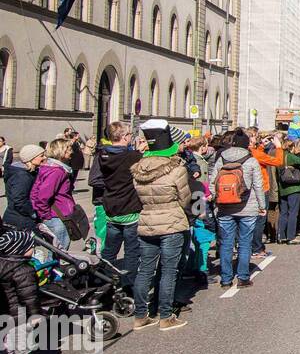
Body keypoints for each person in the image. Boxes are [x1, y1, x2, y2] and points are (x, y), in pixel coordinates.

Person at [131, 121, 194, 331]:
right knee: (169, 270)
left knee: (145, 269)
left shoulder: (138, 168)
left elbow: (138, 197)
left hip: (146, 220)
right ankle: (166, 316)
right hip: (172, 223)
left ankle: (141, 315)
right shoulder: (176, 169)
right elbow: (186, 199)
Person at [88, 122, 143, 297]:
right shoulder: (130, 157)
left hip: (111, 208)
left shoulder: (103, 154)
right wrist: (139, 152)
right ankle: (128, 286)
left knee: (109, 250)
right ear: (125, 137)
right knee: (132, 251)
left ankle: (103, 282)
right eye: (129, 135)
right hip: (129, 210)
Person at [209, 129, 266, 290]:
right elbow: (258, 186)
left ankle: (226, 279)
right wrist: (262, 206)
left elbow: (214, 180)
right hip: (247, 206)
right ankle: (243, 277)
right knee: (245, 242)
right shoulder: (251, 160)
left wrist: (213, 198)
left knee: (226, 243)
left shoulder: (222, 158)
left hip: (225, 207)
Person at [0, 224, 51, 354]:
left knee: (6, 346)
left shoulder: (3, 265)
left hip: (5, 312)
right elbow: (29, 297)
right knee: (22, 346)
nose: (33, 249)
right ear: (18, 250)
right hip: (20, 315)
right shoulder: (23, 270)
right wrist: (36, 315)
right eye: (31, 247)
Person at [30, 137, 78, 249]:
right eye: (68, 149)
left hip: (56, 215)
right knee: (60, 251)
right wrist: (45, 215)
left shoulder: (50, 167)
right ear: (61, 151)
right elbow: (42, 196)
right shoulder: (57, 171)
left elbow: (35, 191)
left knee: (55, 250)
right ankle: (53, 267)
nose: (71, 151)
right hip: (56, 216)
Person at [249, 129, 285, 258]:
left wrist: (261, 145)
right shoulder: (255, 154)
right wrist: (279, 147)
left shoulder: (250, 152)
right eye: (254, 137)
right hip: (261, 188)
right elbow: (278, 162)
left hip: (250, 189)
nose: (257, 139)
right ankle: (257, 249)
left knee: (250, 220)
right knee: (259, 220)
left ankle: (252, 247)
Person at [277, 138, 300, 245]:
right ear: (291, 147)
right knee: (293, 212)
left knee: (283, 213)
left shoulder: (280, 156)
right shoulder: (290, 156)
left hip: (283, 187)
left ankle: (281, 235)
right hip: (294, 187)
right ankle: (291, 237)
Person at [3, 145, 44, 230]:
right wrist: (32, 212)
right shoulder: (22, 176)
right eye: (41, 156)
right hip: (20, 220)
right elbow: (19, 199)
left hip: (19, 217)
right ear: (31, 158)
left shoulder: (29, 172)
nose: (44, 158)